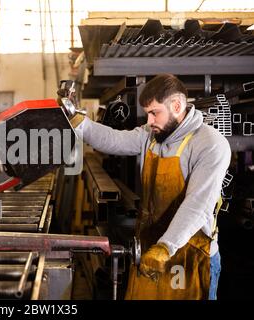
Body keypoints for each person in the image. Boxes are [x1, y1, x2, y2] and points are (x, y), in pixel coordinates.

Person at [70, 74, 231, 300]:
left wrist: (165, 247)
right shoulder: (152, 135)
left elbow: (197, 205)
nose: (149, 121)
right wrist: (79, 123)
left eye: (155, 113)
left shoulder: (210, 144)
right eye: (148, 114)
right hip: (150, 249)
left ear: (176, 106)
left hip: (189, 255)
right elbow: (115, 140)